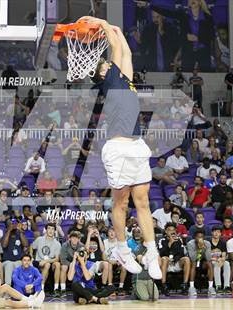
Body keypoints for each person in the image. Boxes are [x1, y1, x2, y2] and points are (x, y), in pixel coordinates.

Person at [78, 15, 160, 279]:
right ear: (102, 73)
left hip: (137, 145)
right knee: (121, 203)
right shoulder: (110, 81)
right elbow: (116, 49)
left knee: (143, 202)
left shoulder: (126, 80)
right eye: (104, 65)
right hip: (117, 147)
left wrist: (115, 29)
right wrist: (102, 24)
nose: (107, 64)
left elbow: (126, 51)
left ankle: (151, 252)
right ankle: (122, 249)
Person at [136, 0, 214, 71]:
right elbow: (166, 12)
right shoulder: (183, 15)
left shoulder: (208, 18)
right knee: (186, 76)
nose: (192, 0)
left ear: (200, 2)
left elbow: (211, 36)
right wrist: (148, 5)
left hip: (203, 53)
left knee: (206, 76)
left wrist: (198, 38)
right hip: (188, 53)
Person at [158, 223, 190, 296]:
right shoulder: (162, 240)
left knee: (186, 259)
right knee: (164, 258)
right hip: (166, 264)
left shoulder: (179, 239)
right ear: (166, 231)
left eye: (173, 230)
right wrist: (170, 243)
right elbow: (161, 253)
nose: (171, 232)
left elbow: (181, 253)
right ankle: (163, 286)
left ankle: (184, 285)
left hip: (176, 262)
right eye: (169, 230)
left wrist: (175, 259)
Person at [30, 223, 61, 294]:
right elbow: (32, 246)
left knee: (56, 264)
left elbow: (57, 259)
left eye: (52, 229)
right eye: (49, 228)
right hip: (38, 261)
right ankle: (40, 288)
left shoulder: (57, 244)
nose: (50, 230)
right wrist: (31, 256)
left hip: (49, 262)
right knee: (47, 265)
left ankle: (55, 288)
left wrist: (46, 261)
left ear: (55, 231)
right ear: (46, 230)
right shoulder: (39, 239)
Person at [187, 229, 216, 296]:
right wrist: (198, 248)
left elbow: (208, 258)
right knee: (193, 263)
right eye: (198, 237)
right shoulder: (190, 244)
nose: (200, 238)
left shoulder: (207, 243)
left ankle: (210, 287)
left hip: (203, 262)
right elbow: (192, 258)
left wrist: (204, 248)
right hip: (194, 262)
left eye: (202, 237)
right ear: (194, 237)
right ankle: (191, 287)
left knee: (209, 263)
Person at [2, 219, 28, 286]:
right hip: (7, 261)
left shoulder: (20, 234)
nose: (14, 225)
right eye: (12, 224)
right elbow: (4, 245)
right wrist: (9, 231)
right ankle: (8, 287)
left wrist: (21, 232)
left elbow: (25, 244)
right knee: (10, 265)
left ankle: (20, 287)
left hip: (18, 260)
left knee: (18, 264)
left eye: (15, 224)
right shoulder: (5, 234)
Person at [103, 227, 127, 295]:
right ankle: (110, 286)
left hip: (118, 261)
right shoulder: (105, 242)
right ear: (107, 233)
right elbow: (103, 255)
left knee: (124, 267)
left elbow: (123, 253)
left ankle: (121, 287)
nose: (112, 233)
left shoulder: (119, 241)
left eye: (113, 231)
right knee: (109, 264)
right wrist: (109, 260)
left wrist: (119, 260)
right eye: (110, 231)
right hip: (109, 261)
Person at [209, 226, 231, 293]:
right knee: (216, 264)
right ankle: (218, 286)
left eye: (218, 232)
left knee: (227, 263)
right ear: (212, 233)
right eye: (214, 231)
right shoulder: (208, 242)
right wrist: (216, 260)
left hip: (219, 260)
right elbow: (207, 256)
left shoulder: (223, 243)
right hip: (210, 260)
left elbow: (224, 255)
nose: (216, 233)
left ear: (220, 234)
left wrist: (222, 260)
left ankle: (226, 286)